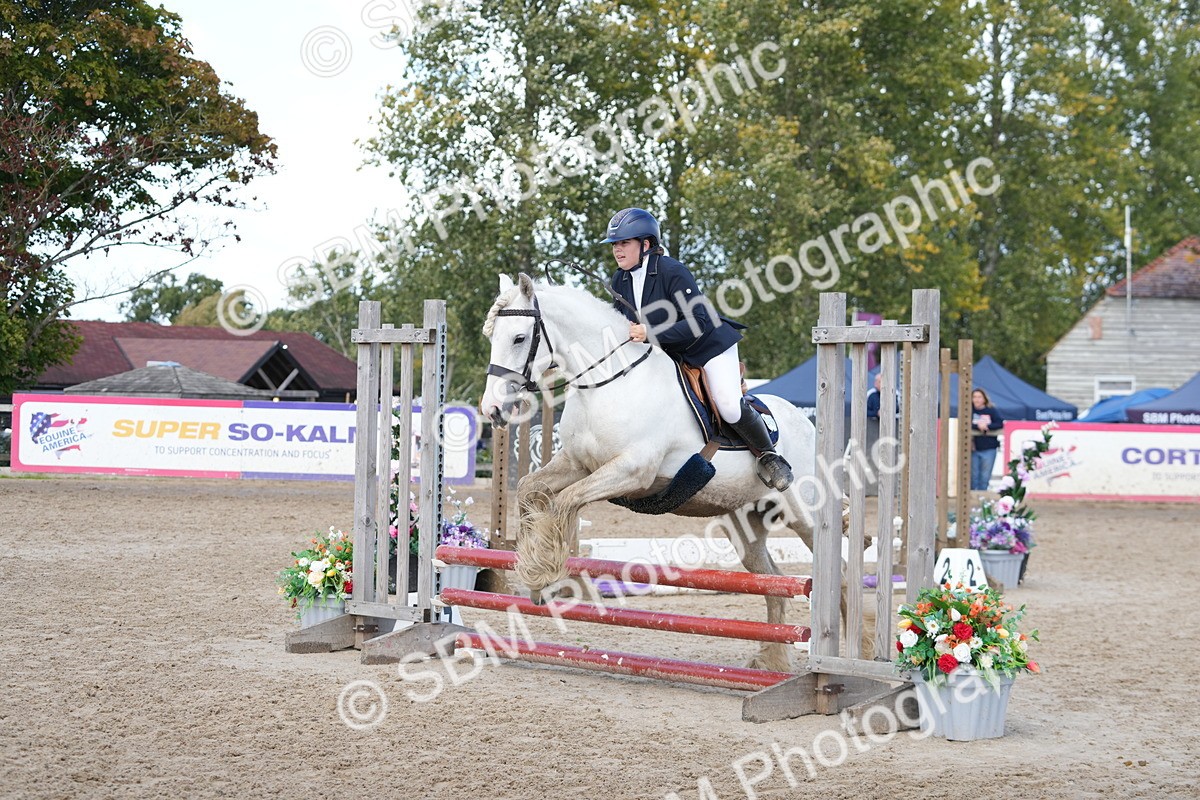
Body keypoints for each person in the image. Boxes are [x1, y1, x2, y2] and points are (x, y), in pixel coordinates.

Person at [600, 207, 793, 491]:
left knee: (727, 405)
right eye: (615, 244)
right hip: (671, 352)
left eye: (624, 243)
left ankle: (769, 455)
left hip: (709, 347)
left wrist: (650, 333)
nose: (617, 250)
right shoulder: (620, 279)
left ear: (646, 244)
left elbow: (699, 321)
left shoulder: (672, 271)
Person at [970, 388, 1004, 491]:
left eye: (979, 397)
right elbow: (965, 423)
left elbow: (999, 423)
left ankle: (981, 498)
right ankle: (971, 498)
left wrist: (987, 426)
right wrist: (978, 426)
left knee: (985, 477)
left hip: (989, 447)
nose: (976, 399)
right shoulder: (969, 410)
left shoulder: (991, 410)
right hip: (973, 448)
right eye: (974, 397)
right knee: (973, 476)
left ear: (984, 399)